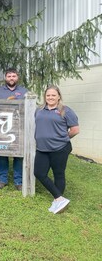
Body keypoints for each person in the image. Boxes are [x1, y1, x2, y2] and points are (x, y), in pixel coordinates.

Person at [34, 85, 79, 214]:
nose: (50, 97)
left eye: (53, 95)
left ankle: (57, 201)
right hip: (42, 148)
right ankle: (60, 198)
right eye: (48, 95)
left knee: (58, 174)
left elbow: (75, 130)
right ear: (45, 97)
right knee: (39, 173)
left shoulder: (66, 111)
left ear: (59, 96)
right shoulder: (39, 110)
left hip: (60, 148)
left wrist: (62, 138)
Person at [0, 68, 27, 191]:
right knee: (2, 154)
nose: (11, 78)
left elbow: (30, 108)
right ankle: (2, 180)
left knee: (18, 155)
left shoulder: (24, 92)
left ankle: (18, 181)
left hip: (19, 128)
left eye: (14, 76)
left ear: (17, 77)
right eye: (9, 76)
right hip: (2, 128)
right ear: (5, 78)